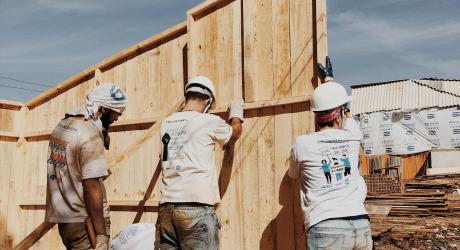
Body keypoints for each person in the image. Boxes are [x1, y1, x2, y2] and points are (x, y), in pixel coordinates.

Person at [289, 57, 372, 249]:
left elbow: (293, 174)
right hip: (360, 224)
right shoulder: (352, 138)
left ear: (316, 116)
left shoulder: (302, 144)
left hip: (326, 225)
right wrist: (330, 81)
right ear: (340, 113)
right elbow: (348, 115)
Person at [156, 76, 243, 249]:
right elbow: (234, 134)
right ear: (207, 101)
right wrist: (236, 113)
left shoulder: (166, 123)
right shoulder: (209, 121)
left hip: (166, 209)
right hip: (195, 209)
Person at [45, 83, 127, 250]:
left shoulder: (62, 126)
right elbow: (91, 186)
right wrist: (102, 235)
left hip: (65, 222)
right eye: (116, 113)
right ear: (103, 109)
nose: (117, 118)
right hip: (87, 224)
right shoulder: (89, 133)